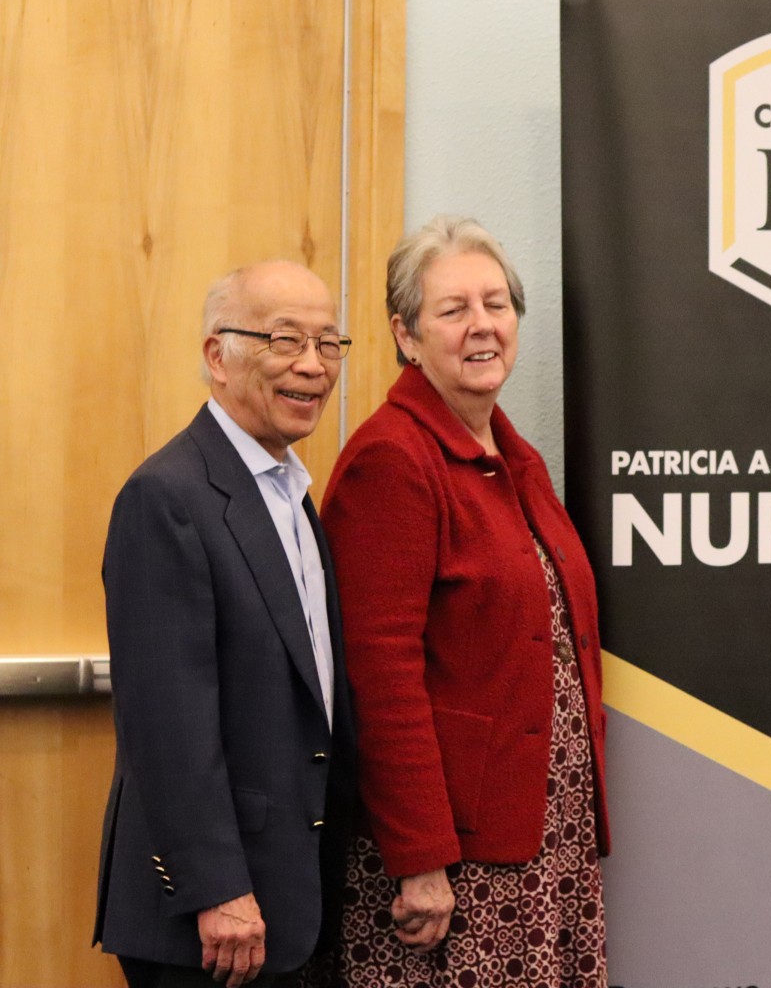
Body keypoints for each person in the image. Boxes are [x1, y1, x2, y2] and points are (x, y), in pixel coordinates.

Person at [317, 216, 609, 988]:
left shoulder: (511, 456)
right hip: (452, 864)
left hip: (540, 840)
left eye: (496, 303)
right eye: (453, 310)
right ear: (406, 337)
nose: (482, 325)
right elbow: (377, 676)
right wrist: (419, 861)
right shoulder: (392, 458)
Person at [95, 262, 359, 988]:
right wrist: (217, 889)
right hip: (210, 918)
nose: (312, 365)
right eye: (284, 340)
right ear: (218, 355)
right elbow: (165, 719)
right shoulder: (167, 496)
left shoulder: (291, 492)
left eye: (330, 343)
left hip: (285, 895)